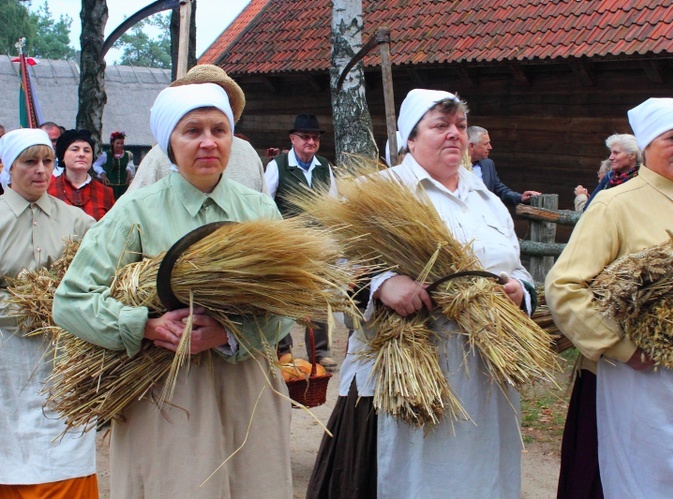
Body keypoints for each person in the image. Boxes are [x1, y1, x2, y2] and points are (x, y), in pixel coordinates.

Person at [52, 78, 295, 497]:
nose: (208, 142)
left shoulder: (257, 209)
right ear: (169, 142)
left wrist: (230, 334)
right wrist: (145, 325)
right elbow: (71, 300)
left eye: (219, 131)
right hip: (166, 397)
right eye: (192, 131)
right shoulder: (137, 209)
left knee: (251, 483)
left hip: (246, 392)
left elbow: (291, 300)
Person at [307, 89, 535, 498]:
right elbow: (326, 268)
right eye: (440, 125)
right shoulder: (371, 193)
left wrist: (520, 291)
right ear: (411, 139)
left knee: (479, 478)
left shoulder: (488, 201)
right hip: (408, 377)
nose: (454, 135)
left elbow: (515, 268)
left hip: (484, 375)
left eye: (461, 127)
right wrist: (379, 285)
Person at [545, 97, 673, 498]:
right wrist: (622, 347)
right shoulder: (614, 204)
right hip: (640, 382)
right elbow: (564, 286)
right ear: (646, 145)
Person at [0, 128, 97, 497]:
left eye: (47, 161)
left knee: (64, 440)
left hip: (61, 354)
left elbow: (103, 272)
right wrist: (24, 306)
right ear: (9, 167)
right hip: (6, 357)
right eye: (29, 161)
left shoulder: (76, 222)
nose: (41, 170)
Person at [128, 64, 269, 196]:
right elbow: (134, 207)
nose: (209, 143)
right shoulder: (161, 153)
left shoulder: (247, 152)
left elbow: (267, 215)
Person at [265, 113, 337, 370]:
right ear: (293, 139)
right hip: (288, 243)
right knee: (285, 297)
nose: (311, 142)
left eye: (315, 137)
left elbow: (333, 205)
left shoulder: (324, 167)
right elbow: (266, 203)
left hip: (317, 244)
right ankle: (283, 351)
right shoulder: (278, 166)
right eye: (305, 137)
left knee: (318, 297)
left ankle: (320, 352)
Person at [47, 129, 115, 220]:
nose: (82, 154)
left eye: (87, 151)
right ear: (62, 156)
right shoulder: (47, 189)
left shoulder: (106, 193)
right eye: (75, 150)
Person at [467, 125, 541, 207]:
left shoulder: (488, 164)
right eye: (486, 144)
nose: (490, 147)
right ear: (472, 146)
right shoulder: (455, 166)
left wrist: (521, 198)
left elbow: (500, 191)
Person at [583, 133, 642, 210]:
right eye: (611, 153)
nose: (611, 157)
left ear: (632, 155)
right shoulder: (609, 177)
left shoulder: (642, 178)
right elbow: (589, 207)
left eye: (616, 153)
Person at [93, 131, 134, 200]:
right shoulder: (106, 155)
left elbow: (130, 165)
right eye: (117, 143)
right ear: (112, 143)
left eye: (122, 143)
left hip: (123, 187)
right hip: (110, 187)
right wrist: (102, 173)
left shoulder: (127, 155)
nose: (120, 145)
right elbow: (96, 165)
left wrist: (129, 171)